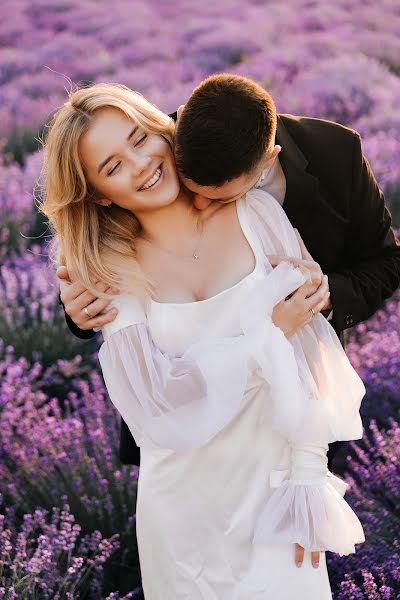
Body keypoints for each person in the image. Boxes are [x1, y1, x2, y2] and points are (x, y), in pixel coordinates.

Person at [41, 82, 366, 598]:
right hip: (182, 516)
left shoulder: (257, 215)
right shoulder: (108, 271)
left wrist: (309, 477)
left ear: (163, 130)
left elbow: (312, 355)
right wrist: (267, 335)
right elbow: (156, 406)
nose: (141, 163)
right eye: (112, 166)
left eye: (140, 138)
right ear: (101, 192)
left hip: (277, 496)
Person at [58, 74, 400, 472]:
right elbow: (98, 238)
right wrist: (78, 310)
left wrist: (325, 297)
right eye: (193, 187)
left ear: (267, 162)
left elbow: (387, 261)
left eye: (218, 196)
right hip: (187, 443)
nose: (199, 203)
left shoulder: (335, 153)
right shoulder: (160, 145)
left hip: (297, 412)